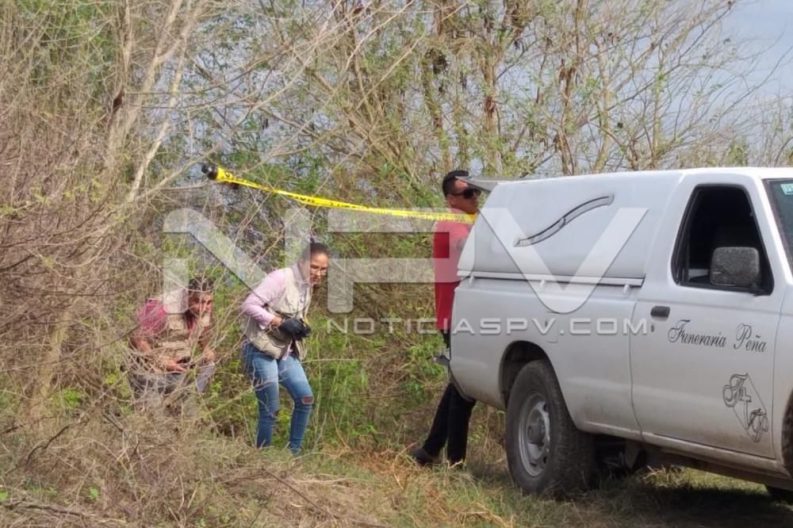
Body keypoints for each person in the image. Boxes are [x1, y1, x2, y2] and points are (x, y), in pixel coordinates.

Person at [411, 169, 480, 467]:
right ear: (451, 198)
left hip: (466, 315)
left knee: (460, 384)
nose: (474, 196)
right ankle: (455, 460)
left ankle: (430, 451)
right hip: (457, 316)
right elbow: (470, 253)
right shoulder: (452, 224)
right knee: (465, 388)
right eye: (467, 193)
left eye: (476, 191)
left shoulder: (469, 221)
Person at [240, 242, 330, 454]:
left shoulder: (308, 285)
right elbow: (248, 305)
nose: (318, 273)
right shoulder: (280, 278)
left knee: (305, 398)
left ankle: (294, 455)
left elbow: (295, 314)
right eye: (314, 267)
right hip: (259, 348)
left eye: (323, 269)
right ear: (301, 262)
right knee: (270, 408)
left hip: (285, 350)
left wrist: (299, 328)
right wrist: (279, 322)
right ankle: (263, 457)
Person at [128, 277, 217, 409]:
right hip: (148, 372)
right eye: (197, 301)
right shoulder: (161, 307)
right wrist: (159, 360)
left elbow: (202, 329)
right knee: (153, 419)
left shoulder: (204, 309)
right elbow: (137, 338)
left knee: (186, 418)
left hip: (178, 372)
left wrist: (206, 348)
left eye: (208, 302)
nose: (203, 307)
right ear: (187, 296)